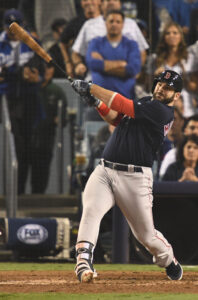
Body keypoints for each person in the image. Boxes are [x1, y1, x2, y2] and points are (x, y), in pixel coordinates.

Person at [71, 69, 183, 282]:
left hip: (135, 178)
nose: (161, 88)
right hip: (105, 170)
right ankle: (83, 262)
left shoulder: (163, 112)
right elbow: (117, 119)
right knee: (92, 211)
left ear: (176, 96)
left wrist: (91, 88)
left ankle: (169, 259)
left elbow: (123, 104)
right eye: (160, 83)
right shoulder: (146, 103)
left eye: (168, 87)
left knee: (146, 236)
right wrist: (95, 103)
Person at [0, 9, 45, 194]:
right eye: (10, 28)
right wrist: (15, 73)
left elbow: (42, 71)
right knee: (14, 145)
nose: (13, 33)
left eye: (16, 28)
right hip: (7, 100)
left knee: (29, 146)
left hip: (30, 99)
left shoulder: (33, 43)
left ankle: (25, 192)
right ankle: (13, 192)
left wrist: (37, 78)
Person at [85, 9, 141, 121]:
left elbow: (133, 69)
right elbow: (92, 64)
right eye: (111, 21)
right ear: (105, 24)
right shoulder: (96, 42)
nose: (114, 24)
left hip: (124, 103)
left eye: (117, 21)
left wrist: (104, 65)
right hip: (98, 101)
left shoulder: (131, 45)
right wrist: (121, 64)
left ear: (123, 24)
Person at [71, 0, 149, 80]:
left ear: (120, 3)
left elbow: (142, 52)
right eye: (107, 0)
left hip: (125, 82)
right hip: (95, 81)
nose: (111, 2)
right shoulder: (89, 25)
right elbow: (76, 52)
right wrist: (78, 64)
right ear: (101, 3)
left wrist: (136, 72)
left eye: (114, 0)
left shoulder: (131, 24)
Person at [146, 21, 198, 118]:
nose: (171, 36)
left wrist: (184, 78)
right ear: (163, 37)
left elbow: (194, 87)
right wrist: (155, 77)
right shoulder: (155, 59)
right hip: (162, 102)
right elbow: (147, 86)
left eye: (175, 33)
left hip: (186, 105)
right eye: (168, 33)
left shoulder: (190, 58)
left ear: (180, 36)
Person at [30, 65, 68, 193]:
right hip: (27, 132)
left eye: (49, 68)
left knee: (43, 165)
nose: (47, 70)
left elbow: (63, 117)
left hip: (47, 134)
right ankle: (19, 195)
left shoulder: (56, 91)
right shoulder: (30, 87)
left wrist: (59, 119)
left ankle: (39, 194)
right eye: (44, 67)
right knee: (24, 163)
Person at [60, 0, 102, 78]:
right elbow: (63, 42)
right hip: (84, 69)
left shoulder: (107, 21)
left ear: (100, 2)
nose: (89, 2)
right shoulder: (76, 23)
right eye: (85, 0)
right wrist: (68, 62)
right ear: (81, 3)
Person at [159, 114, 198, 178]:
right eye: (192, 128)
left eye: (195, 148)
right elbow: (162, 184)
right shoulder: (171, 155)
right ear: (185, 131)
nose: (196, 132)